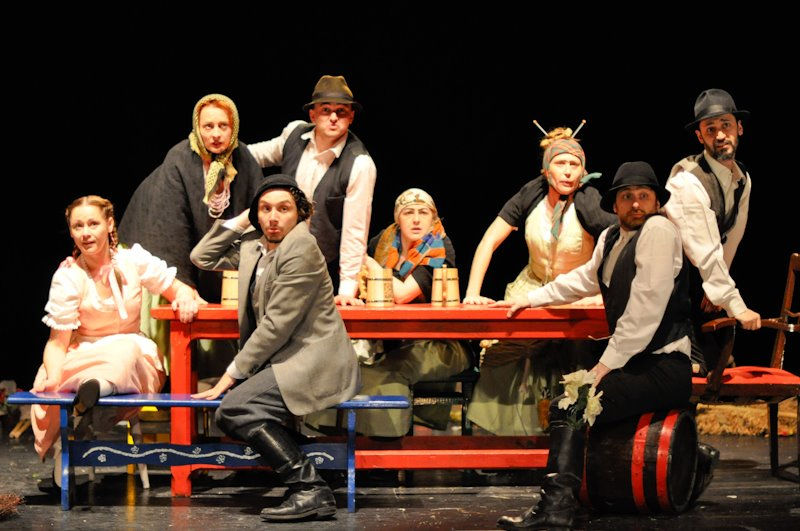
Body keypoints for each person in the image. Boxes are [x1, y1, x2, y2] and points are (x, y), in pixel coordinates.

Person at [491, 162, 693, 529]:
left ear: (656, 202)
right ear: (614, 205)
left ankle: (555, 508)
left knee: (571, 404)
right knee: (571, 400)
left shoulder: (659, 231)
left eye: (643, 196)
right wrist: (532, 298)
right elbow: (583, 279)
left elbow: (644, 312)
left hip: (664, 366)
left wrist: (602, 369)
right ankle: (572, 500)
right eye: (626, 197)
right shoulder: (612, 237)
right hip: (638, 364)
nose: (635, 204)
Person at [190, 175, 360, 522]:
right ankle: (313, 479)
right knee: (234, 409)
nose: (273, 217)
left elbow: (276, 324)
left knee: (234, 407)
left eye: (284, 209)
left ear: (300, 213)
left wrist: (231, 374)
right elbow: (201, 256)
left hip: (314, 360)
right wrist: (243, 218)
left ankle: (310, 488)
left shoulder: (302, 248)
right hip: (284, 361)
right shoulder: (255, 247)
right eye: (265, 209)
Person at [32, 196, 199, 475]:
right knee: (54, 378)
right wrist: (52, 377)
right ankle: (89, 404)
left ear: (109, 224)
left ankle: (94, 398)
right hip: (86, 353)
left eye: (93, 224)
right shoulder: (69, 276)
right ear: (71, 232)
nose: (86, 233)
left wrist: (184, 296)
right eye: (78, 226)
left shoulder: (132, 260)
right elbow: (57, 342)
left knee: (124, 352)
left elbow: (175, 287)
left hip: (133, 356)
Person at [463, 128, 615, 435]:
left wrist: (603, 295)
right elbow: (489, 241)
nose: (568, 171)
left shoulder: (590, 202)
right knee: (502, 350)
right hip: (532, 286)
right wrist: (472, 292)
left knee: (574, 355)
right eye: (561, 163)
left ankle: (570, 434)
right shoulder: (530, 195)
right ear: (546, 170)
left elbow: (619, 247)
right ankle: (507, 437)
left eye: (574, 165)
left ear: (583, 171)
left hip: (577, 292)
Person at [307, 188, 470, 437]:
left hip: (439, 342)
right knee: (336, 361)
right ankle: (336, 439)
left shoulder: (439, 247)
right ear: (397, 218)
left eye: (423, 213)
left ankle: (385, 447)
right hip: (391, 338)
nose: (416, 219)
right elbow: (357, 277)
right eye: (409, 212)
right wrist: (352, 293)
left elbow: (402, 294)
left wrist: (365, 259)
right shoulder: (384, 241)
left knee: (385, 373)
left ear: (433, 218)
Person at [118, 93, 264, 305]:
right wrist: (182, 285)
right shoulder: (180, 158)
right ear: (197, 127)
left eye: (223, 126)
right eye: (208, 126)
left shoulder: (243, 158)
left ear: (233, 128)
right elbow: (172, 227)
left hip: (213, 252)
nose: (216, 134)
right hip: (163, 246)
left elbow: (257, 212)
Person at [248, 75, 377, 306]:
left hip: (323, 269)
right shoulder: (294, 134)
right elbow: (257, 155)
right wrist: (226, 153)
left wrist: (347, 290)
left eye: (341, 111)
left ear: (351, 117)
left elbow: (355, 233)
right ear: (313, 114)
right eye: (326, 110)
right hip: (280, 258)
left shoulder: (360, 164)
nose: (334, 117)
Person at [665, 88, 760, 374]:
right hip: (670, 286)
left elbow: (731, 238)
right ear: (700, 136)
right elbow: (704, 250)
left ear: (739, 128)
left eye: (726, 125)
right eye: (710, 129)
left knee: (717, 367)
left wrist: (717, 289)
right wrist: (734, 304)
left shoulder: (742, 178)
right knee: (694, 370)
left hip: (699, 279)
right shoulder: (687, 181)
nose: (719, 135)